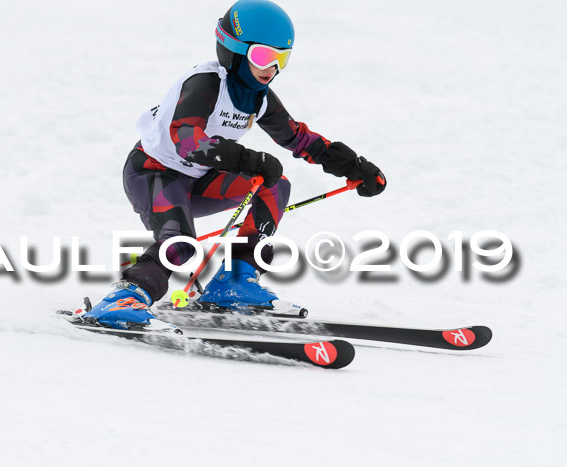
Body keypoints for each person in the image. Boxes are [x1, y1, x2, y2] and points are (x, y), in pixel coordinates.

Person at [82, 0, 386, 331]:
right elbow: (186, 139)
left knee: (275, 184)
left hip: (200, 180)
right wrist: (247, 159)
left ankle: (236, 280)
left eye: (280, 58)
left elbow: (298, 138)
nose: (271, 68)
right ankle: (125, 298)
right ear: (234, 50)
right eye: (262, 56)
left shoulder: (259, 96)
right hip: (154, 172)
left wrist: (355, 167)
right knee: (181, 246)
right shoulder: (207, 83)